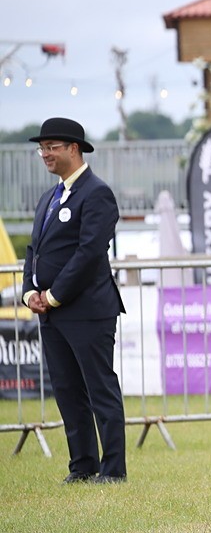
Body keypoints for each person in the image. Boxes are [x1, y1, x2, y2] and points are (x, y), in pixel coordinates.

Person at [22, 118, 127, 484]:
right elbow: (33, 250)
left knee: (99, 388)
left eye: (52, 146)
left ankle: (113, 471)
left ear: (73, 148)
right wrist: (29, 292)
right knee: (67, 391)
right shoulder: (48, 198)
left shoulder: (96, 193)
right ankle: (83, 465)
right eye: (42, 148)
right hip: (51, 313)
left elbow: (89, 253)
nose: (45, 154)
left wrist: (53, 295)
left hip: (88, 310)